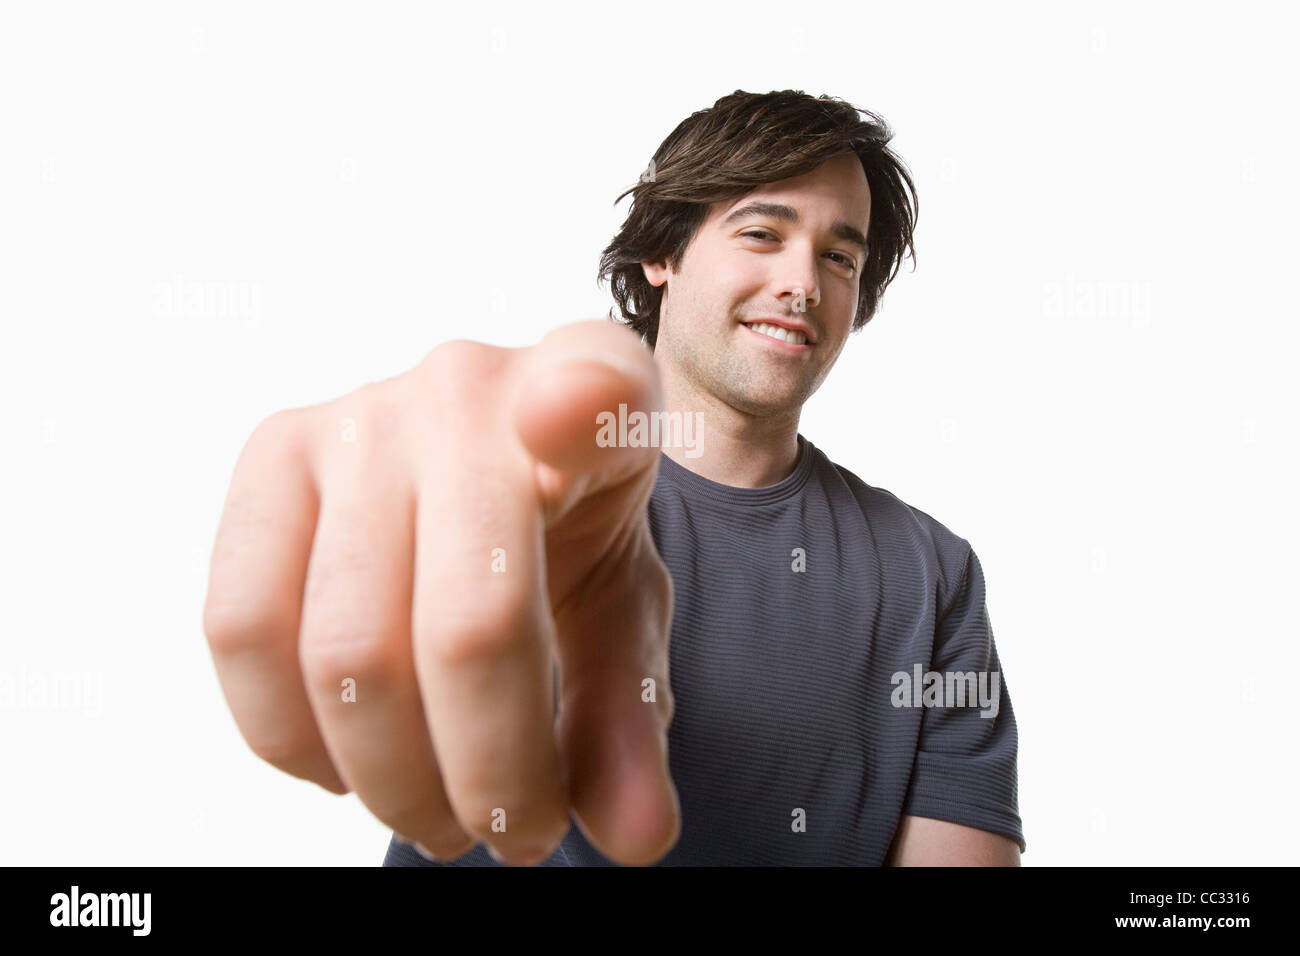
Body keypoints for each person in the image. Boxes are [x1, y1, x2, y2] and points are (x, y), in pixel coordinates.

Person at [204, 89, 1024, 867]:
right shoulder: (537, 490)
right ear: (662, 252)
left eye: (839, 255)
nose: (802, 283)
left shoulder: (934, 575)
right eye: (763, 235)